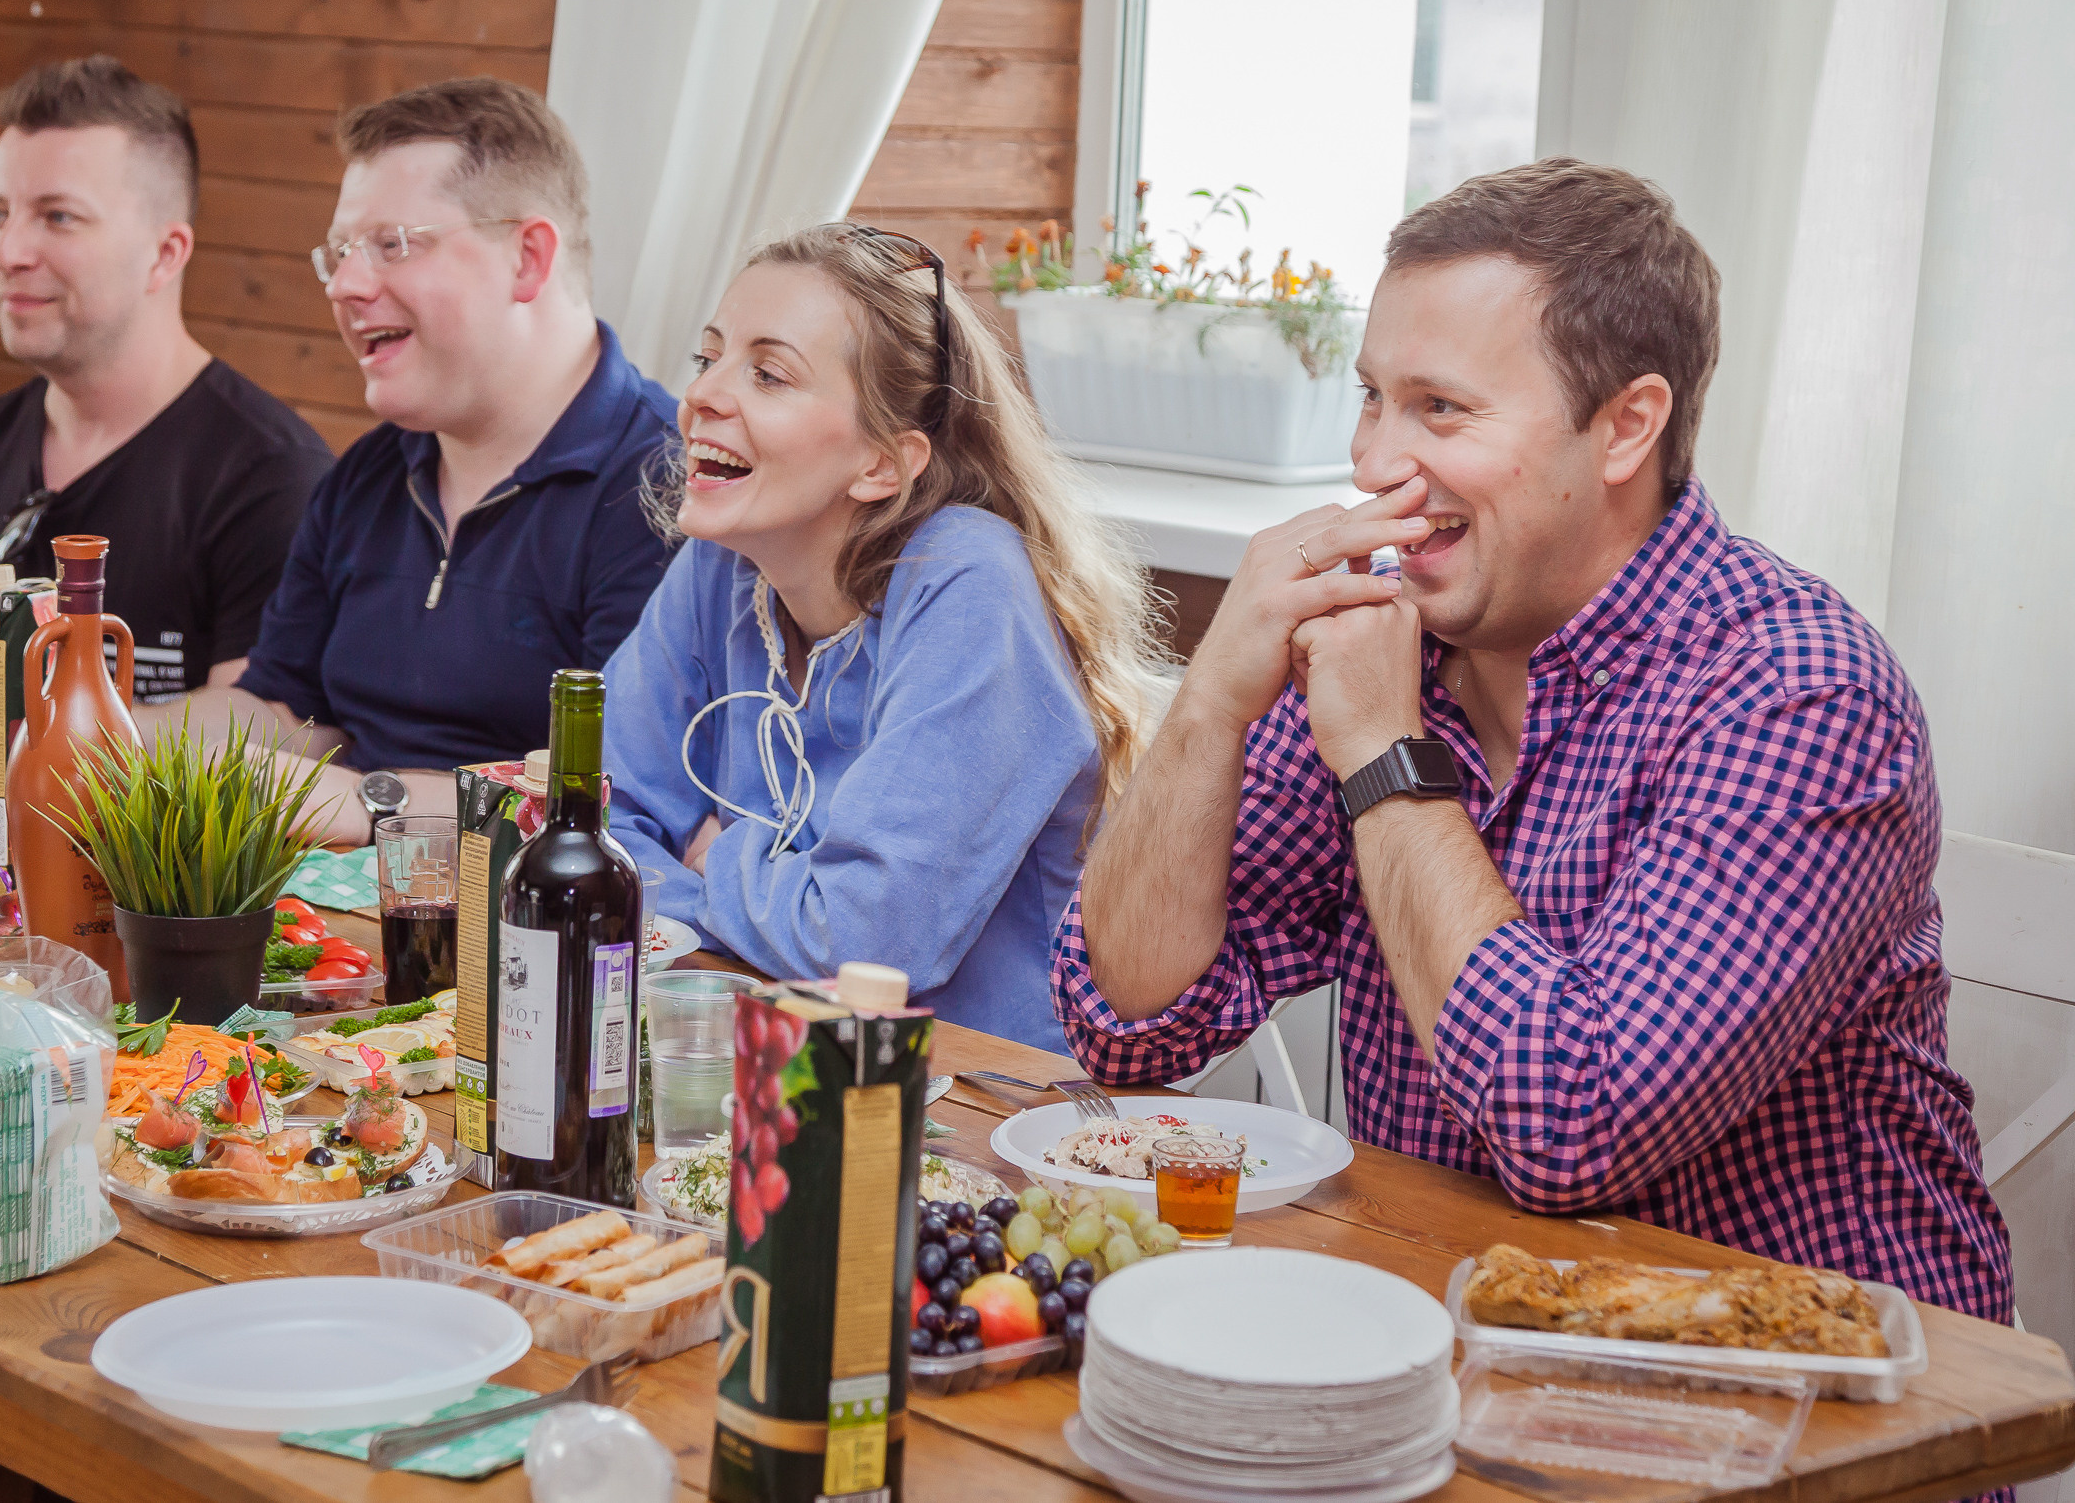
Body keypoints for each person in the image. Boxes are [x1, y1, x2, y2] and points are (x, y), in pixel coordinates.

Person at [1054, 160, 2011, 1317]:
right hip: (1452, 1356)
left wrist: (1381, 755)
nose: (1371, 463)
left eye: (1440, 407)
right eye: (1372, 396)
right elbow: (1132, 1016)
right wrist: (1211, 701)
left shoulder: (1796, 691)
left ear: (1624, 427)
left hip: (1799, 1413)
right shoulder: (1393, 651)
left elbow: (1571, 1125)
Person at [600, 225, 1166, 1050]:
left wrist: (711, 857)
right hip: (758, 1049)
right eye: (708, 358)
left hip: (981, 1102)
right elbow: (587, 825)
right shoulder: (721, 564)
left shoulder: (967, 581)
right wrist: (773, 893)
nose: (703, 397)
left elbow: (869, 945)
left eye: (767, 373)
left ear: (881, 464)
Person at [146, 78, 677, 831]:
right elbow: (283, 710)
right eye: (339, 254)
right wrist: (105, 734)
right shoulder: (366, 474)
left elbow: (615, 794)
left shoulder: (661, 485)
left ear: (528, 258)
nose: (347, 286)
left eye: (393, 245)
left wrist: (370, 801)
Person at [0, 56, 333, 701]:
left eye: (58, 216)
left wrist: (52, 750)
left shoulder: (271, 477)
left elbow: (264, 737)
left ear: (165, 253)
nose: (9, 253)